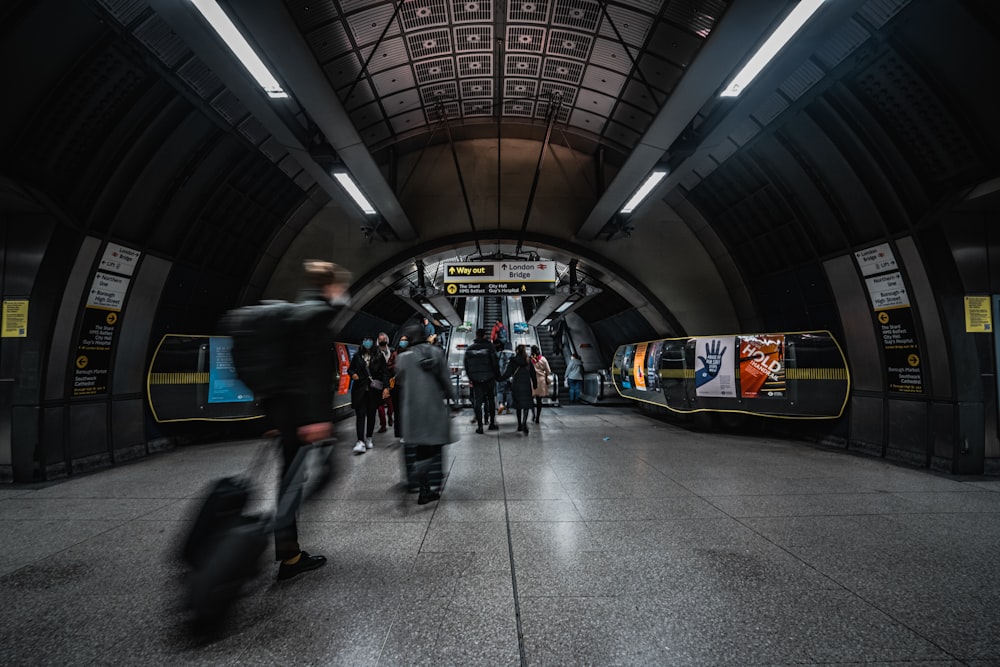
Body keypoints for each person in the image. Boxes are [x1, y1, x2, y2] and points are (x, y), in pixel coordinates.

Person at [265, 259, 350, 581]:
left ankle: (287, 550)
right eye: (340, 285)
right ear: (330, 286)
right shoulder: (318, 315)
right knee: (306, 481)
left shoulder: (291, 313)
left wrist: (272, 415)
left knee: (290, 482)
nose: (342, 292)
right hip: (304, 420)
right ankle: (280, 541)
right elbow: (313, 373)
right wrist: (316, 420)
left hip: (286, 414)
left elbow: (278, 367)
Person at [395, 321, 456, 504]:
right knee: (434, 445)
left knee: (421, 448)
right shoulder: (436, 353)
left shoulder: (403, 358)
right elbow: (445, 379)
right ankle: (428, 485)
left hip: (412, 410)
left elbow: (399, 380)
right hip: (433, 408)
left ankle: (423, 487)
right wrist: (453, 400)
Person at [348, 335, 389, 454]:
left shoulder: (379, 356)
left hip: (373, 391)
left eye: (370, 341)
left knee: (371, 415)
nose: (367, 343)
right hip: (360, 390)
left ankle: (369, 438)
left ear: (373, 342)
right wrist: (353, 374)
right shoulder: (357, 356)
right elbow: (350, 369)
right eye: (365, 340)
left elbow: (385, 372)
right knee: (360, 415)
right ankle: (360, 441)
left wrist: (386, 387)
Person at [464, 328, 500, 434]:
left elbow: (466, 366)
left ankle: (480, 426)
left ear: (476, 335)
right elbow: (495, 363)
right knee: (490, 400)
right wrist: (497, 375)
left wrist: (471, 378)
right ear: (484, 335)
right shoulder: (490, 347)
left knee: (478, 402)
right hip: (489, 378)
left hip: (476, 380)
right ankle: (491, 423)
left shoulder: (469, 349)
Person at [502, 343, 536, 434]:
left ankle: (519, 425)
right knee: (526, 406)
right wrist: (535, 384)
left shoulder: (513, 361)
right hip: (526, 385)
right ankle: (524, 422)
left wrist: (499, 378)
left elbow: (507, 374)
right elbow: (533, 374)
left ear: (516, 351)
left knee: (518, 406)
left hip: (516, 385)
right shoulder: (528, 361)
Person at [387, 334, 408, 439]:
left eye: (405, 340)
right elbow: (388, 366)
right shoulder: (395, 354)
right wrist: (396, 366)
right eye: (402, 340)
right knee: (397, 410)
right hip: (397, 386)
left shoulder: (410, 354)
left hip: (408, 385)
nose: (403, 342)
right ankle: (399, 432)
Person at [375, 332, 394, 433]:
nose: (382, 340)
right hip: (379, 381)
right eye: (380, 339)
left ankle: (390, 416)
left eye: (384, 338)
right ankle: (383, 425)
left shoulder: (392, 350)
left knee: (390, 404)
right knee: (380, 406)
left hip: (390, 381)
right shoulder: (375, 352)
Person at [530, 344, 551, 424]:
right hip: (541, 381)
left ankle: (533, 415)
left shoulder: (530, 360)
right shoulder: (543, 359)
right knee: (539, 400)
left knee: (531, 399)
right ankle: (538, 417)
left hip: (532, 381)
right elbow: (548, 371)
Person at [495, 340, 515, 414]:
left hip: (500, 376)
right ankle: (508, 409)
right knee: (509, 392)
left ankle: (500, 405)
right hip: (509, 377)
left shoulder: (499, 354)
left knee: (500, 391)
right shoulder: (513, 356)